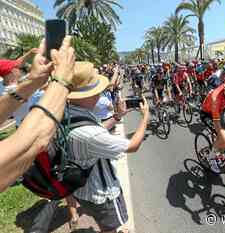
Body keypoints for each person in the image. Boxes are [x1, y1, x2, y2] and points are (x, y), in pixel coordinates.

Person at [56, 61, 149, 233]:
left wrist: (117, 116)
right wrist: (145, 118)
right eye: (96, 90)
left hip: (81, 188)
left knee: (101, 221)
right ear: (88, 95)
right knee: (109, 227)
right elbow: (133, 145)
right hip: (102, 193)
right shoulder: (90, 133)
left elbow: (96, 130)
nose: (100, 93)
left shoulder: (68, 114)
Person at [0, 36, 76, 191]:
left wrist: (34, 81)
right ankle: (55, 186)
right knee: (48, 163)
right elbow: (39, 138)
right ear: (10, 72)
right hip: (33, 126)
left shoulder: (4, 87)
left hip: (22, 124)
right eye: (16, 68)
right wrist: (62, 80)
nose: (19, 69)